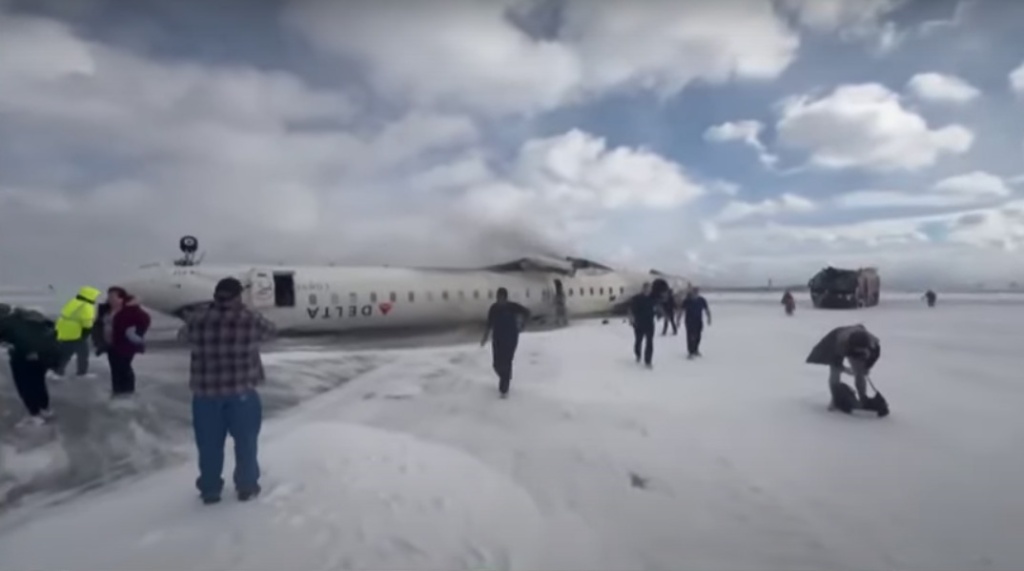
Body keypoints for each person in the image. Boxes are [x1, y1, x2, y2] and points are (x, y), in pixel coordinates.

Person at [178, 277, 276, 504]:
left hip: (205, 395)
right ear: (238, 296)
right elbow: (271, 332)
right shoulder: (249, 319)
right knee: (246, 443)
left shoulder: (198, 319)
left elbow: (182, 337)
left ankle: (211, 490)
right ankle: (247, 487)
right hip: (242, 393)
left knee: (209, 446)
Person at [0, 304, 62, 426]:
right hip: (37, 359)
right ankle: (44, 410)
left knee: (26, 387)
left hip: (24, 360)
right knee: (37, 385)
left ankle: (35, 414)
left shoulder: (9, 323)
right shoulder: (29, 321)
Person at [805, 324, 880, 409]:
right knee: (835, 372)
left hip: (854, 338)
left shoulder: (873, 343)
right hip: (836, 338)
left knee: (860, 374)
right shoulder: (840, 344)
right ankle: (835, 399)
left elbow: (874, 355)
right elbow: (836, 363)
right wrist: (845, 370)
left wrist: (867, 367)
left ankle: (863, 399)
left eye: (862, 350)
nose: (860, 351)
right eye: (858, 349)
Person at [480, 287, 531, 398]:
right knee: (496, 364)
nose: (500, 300)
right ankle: (505, 377)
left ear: (505, 298)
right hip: (497, 338)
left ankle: (504, 389)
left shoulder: (512, 307)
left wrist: (522, 325)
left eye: (502, 298)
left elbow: (527, 312)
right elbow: (488, 324)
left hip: (511, 338)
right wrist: (484, 337)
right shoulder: (493, 308)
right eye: (498, 298)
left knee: (507, 362)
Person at [105, 287, 151, 398]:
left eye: (113, 296)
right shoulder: (108, 309)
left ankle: (128, 392)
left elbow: (145, 319)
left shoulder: (130, 309)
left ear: (121, 298)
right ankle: (117, 391)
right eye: (109, 296)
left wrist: (136, 332)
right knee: (115, 368)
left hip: (126, 344)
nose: (110, 299)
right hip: (111, 344)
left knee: (124, 367)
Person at [52, 286, 101, 379]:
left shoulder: (74, 301)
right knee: (83, 353)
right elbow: (87, 321)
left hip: (65, 331)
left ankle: (58, 371)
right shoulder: (87, 306)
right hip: (77, 333)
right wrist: (87, 332)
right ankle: (82, 373)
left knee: (66, 353)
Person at [628, 282, 656, 367]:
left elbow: (657, 307)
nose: (648, 290)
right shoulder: (637, 298)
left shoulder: (652, 298)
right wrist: (631, 319)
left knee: (649, 342)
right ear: (643, 289)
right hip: (639, 323)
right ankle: (638, 354)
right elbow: (631, 310)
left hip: (650, 323)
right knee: (638, 341)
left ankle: (648, 361)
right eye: (646, 288)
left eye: (649, 289)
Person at [681, 287, 711, 358]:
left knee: (698, 336)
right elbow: (681, 311)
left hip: (698, 321)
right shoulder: (687, 301)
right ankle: (690, 351)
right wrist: (678, 320)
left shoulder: (702, 300)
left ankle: (696, 349)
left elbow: (706, 309)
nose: (695, 293)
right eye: (694, 292)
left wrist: (709, 318)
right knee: (690, 336)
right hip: (689, 321)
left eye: (696, 292)